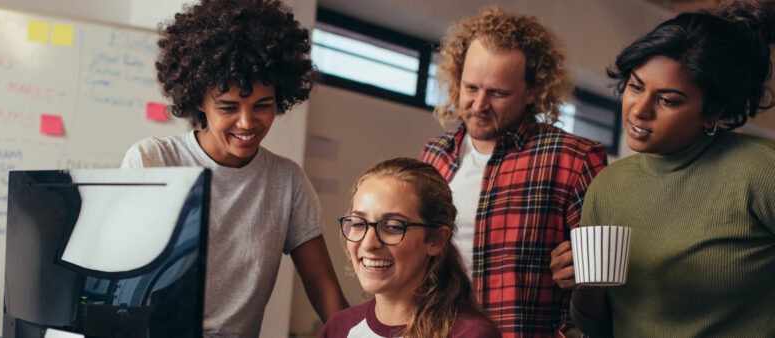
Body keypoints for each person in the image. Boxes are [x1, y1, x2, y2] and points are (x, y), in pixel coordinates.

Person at [119, 0, 349, 336]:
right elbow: (121, 280)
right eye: (228, 107)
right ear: (199, 98)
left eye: (263, 106)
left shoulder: (287, 182)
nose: (247, 123)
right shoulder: (153, 161)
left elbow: (322, 287)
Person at [548, 1, 775, 337]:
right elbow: (597, 328)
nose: (639, 110)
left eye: (667, 100)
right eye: (636, 87)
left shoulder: (761, 171)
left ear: (712, 110)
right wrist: (582, 285)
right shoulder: (608, 185)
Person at [419, 5, 609, 337]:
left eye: (498, 93)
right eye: (471, 88)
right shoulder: (435, 154)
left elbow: (598, 280)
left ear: (533, 91)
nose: (479, 105)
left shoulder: (574, 159)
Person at [320, 157, 501, 338]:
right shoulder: (339, 328)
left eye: (392, 227)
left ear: (435, 240)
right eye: (359, 224)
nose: (368, 244)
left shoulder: (471, 333)